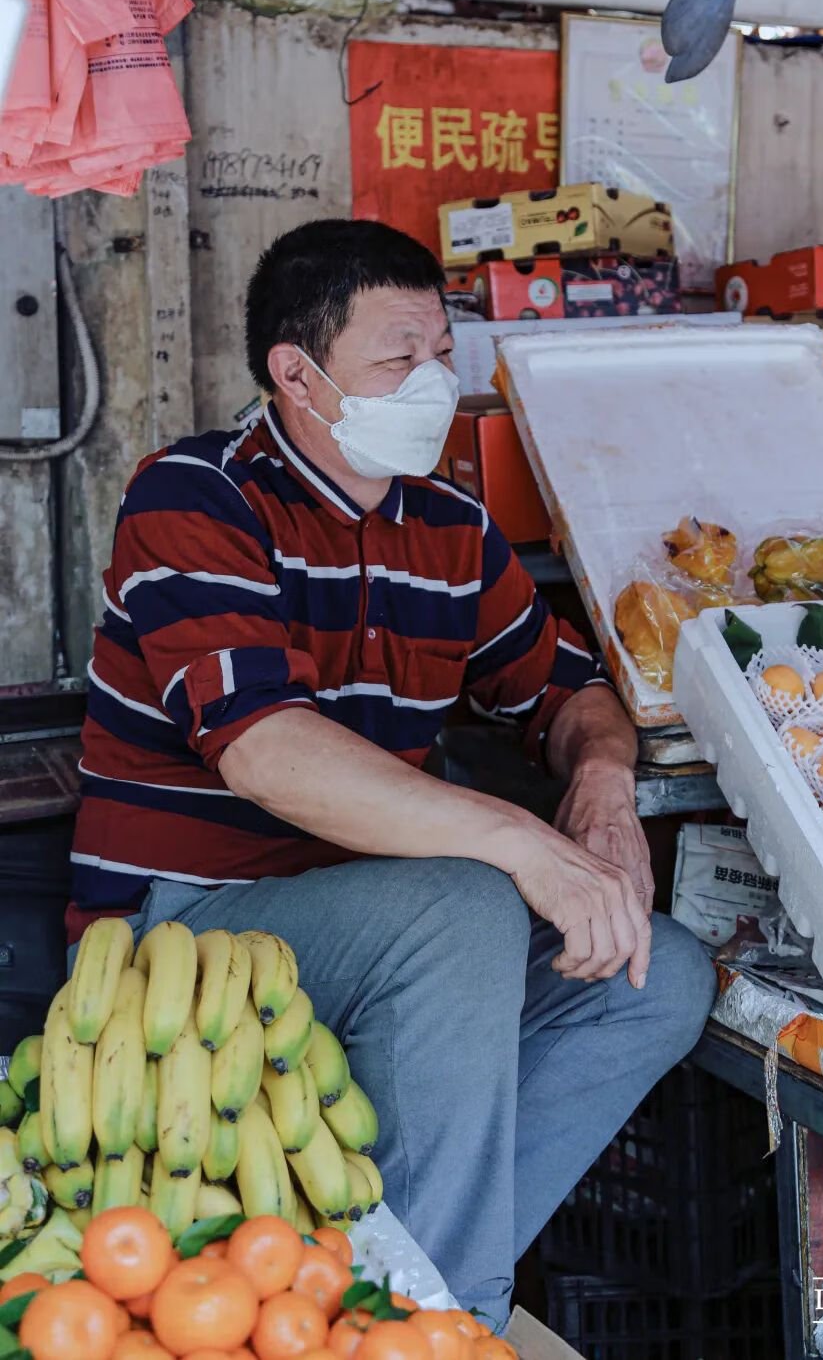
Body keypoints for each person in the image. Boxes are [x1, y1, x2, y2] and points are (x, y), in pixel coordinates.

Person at [70, 218, 716, 1324]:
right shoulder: (194, 496)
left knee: (657, 973)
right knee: (465, 902)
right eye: (398, 356)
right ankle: (437, 1322)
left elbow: (575, 695)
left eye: (443, 353)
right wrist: (524, 843)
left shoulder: (451, 530)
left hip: (381, 922)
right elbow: (267, 752)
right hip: (182, 933)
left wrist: (603, 790)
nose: (435, 381)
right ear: (297, 373)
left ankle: (387, 1287)